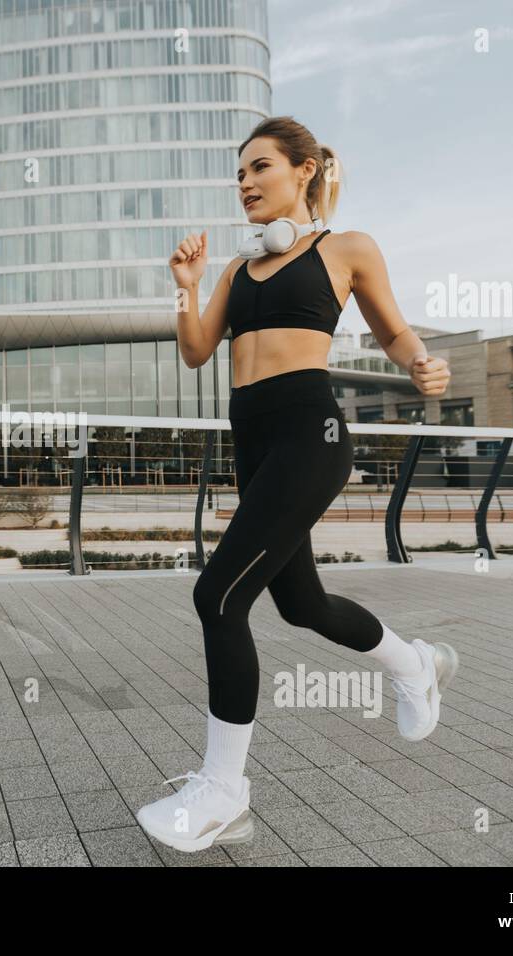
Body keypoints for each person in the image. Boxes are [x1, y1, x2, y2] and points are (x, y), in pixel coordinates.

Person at [134, 116, 460, 853]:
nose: (244, 183)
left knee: (217, 596)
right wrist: (184, 287)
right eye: (239, 175)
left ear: (305, 170)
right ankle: (416, 665)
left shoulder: (346, 248)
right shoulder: (235, 271)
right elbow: (194, 352)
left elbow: (394, 331)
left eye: (259, 168)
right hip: (254, 444)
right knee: (302, 603)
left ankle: (224, 793)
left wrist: (420, 364)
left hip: (311, 437)